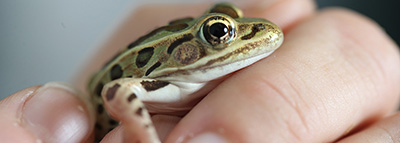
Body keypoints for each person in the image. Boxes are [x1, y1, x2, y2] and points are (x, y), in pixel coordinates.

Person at [1, 0, 399, 142]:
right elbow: (115, 93)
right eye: (220, 33)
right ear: (190, 47)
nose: (246, 34)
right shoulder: (162, 85)